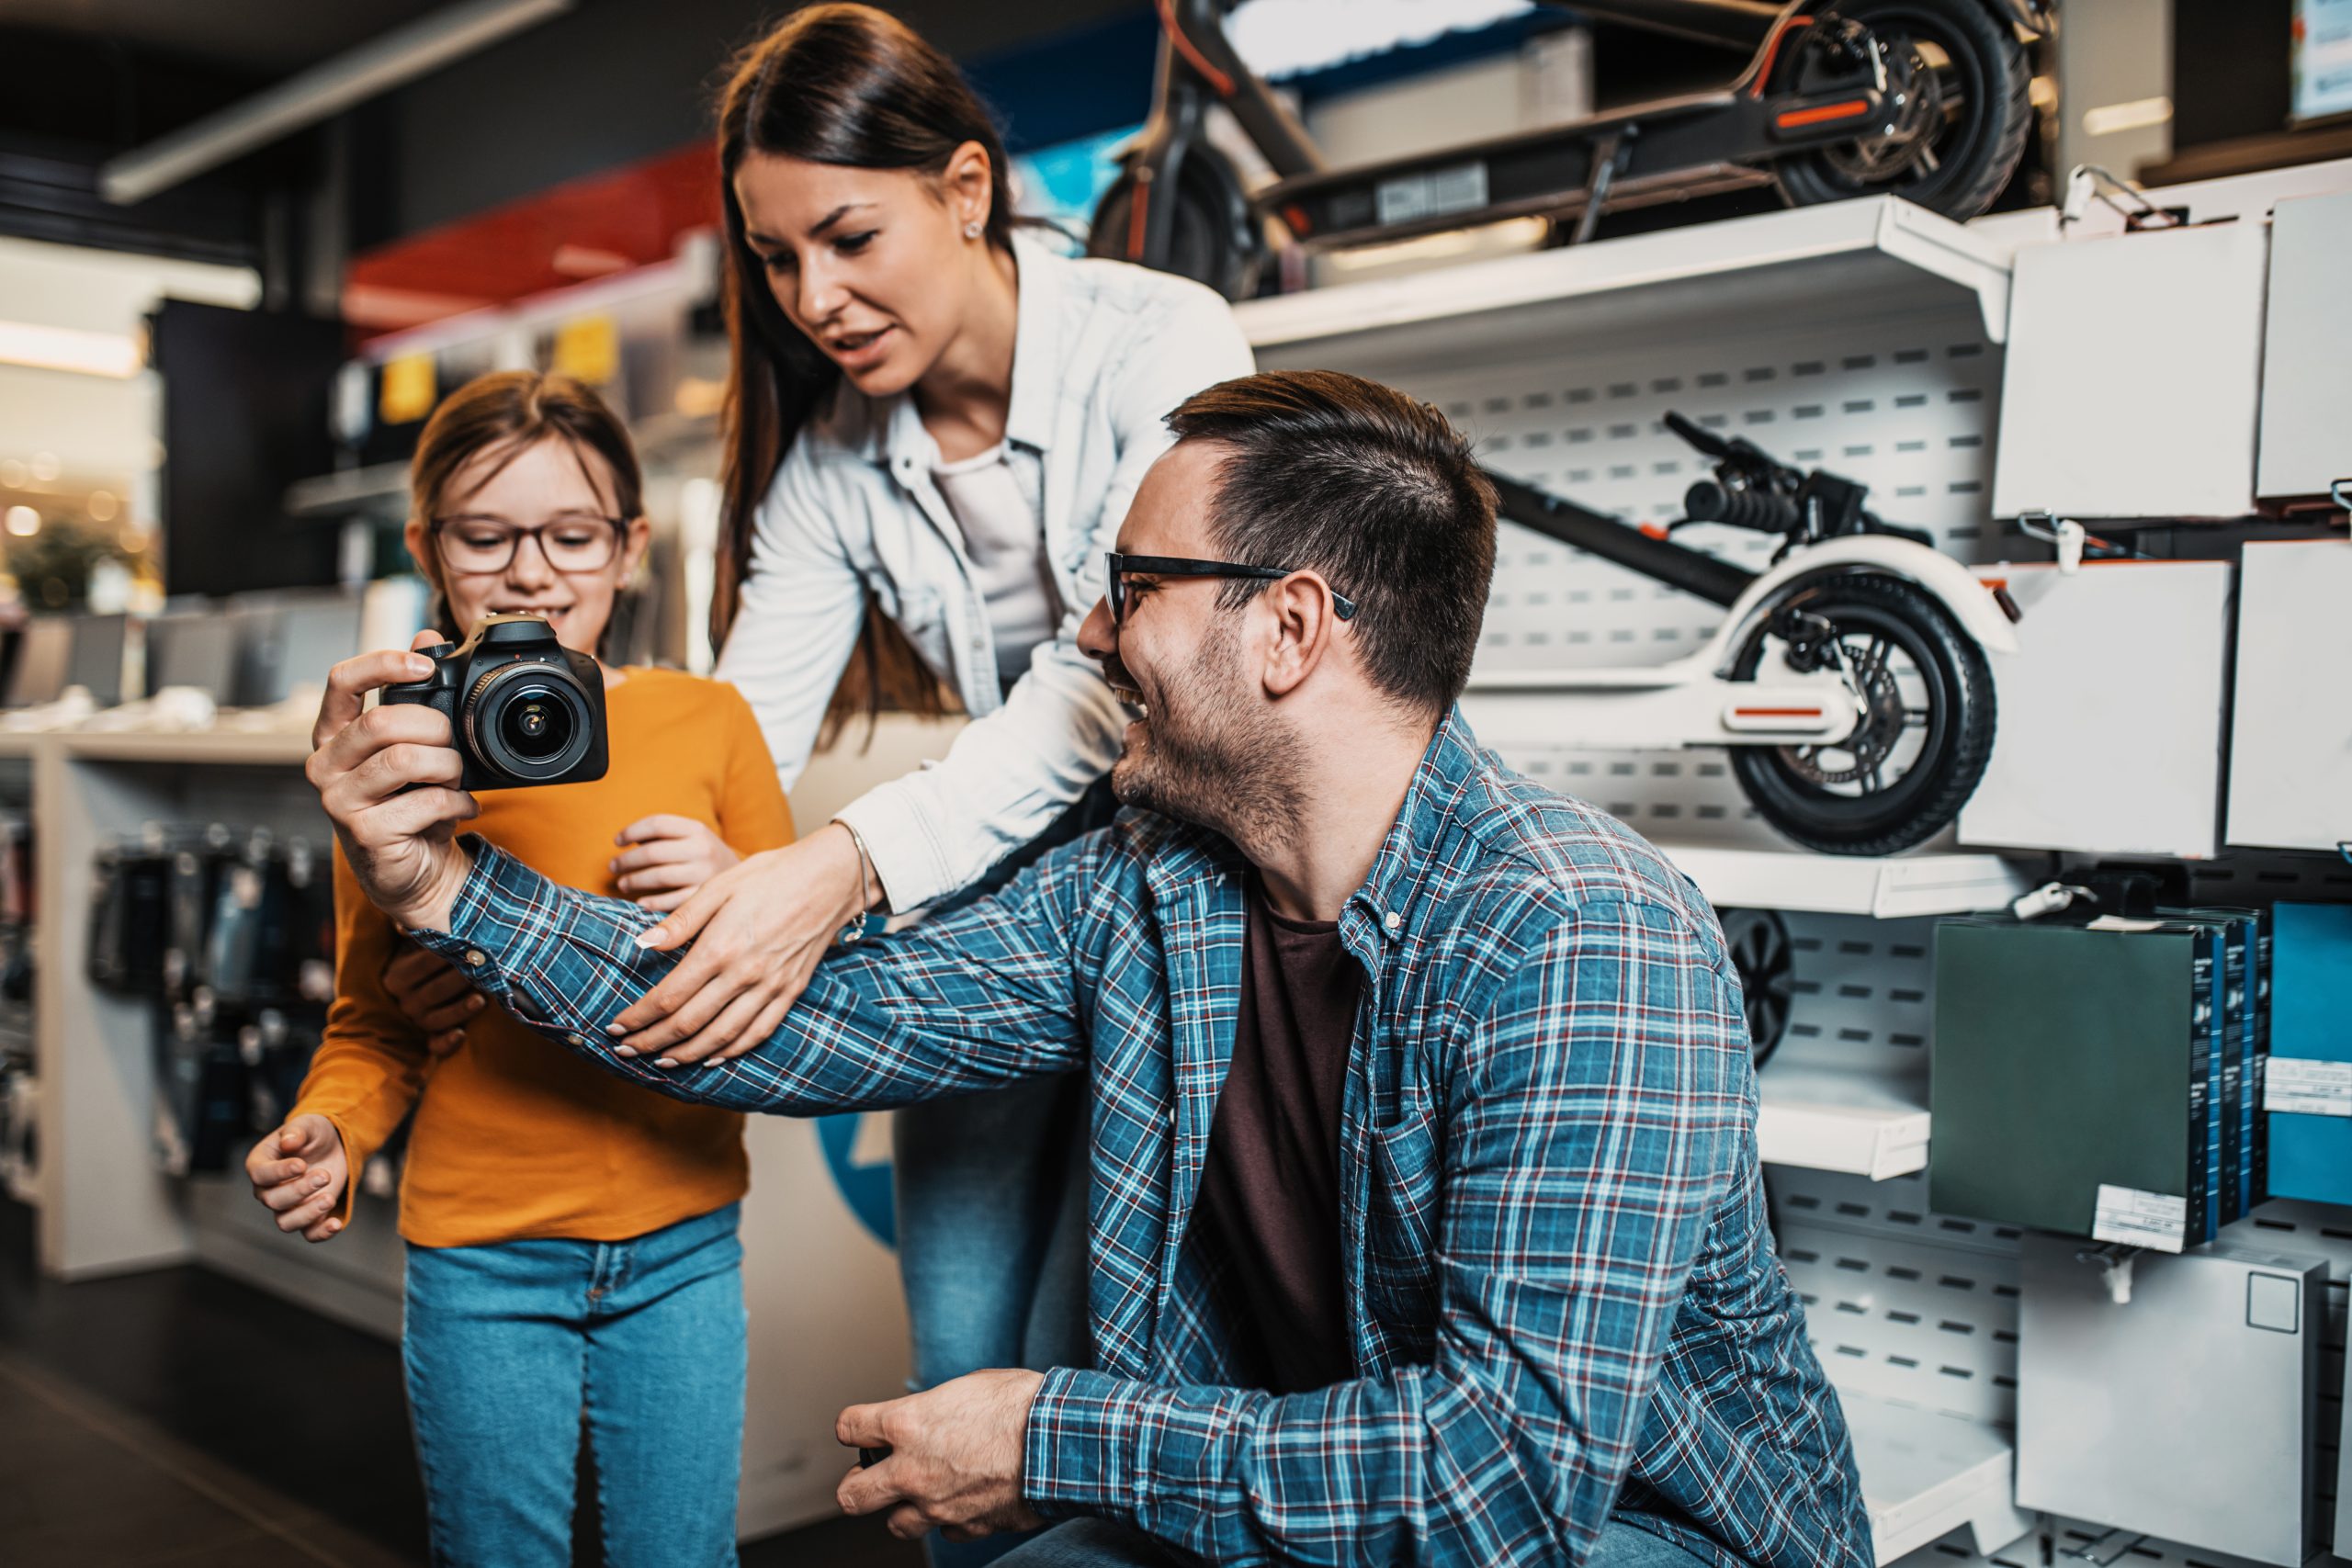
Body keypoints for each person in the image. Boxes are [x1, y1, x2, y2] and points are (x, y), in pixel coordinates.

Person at [310, 368, 1872, 1568]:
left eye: (1134, 588)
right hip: (1320, 1491)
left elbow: (1499, 1487)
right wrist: (442, 888)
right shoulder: (1153, 885)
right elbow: (824, 1023)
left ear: (1288, 629)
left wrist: (1056, 1432)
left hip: (1638, 1538)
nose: (1090, 630)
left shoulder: (1579, 937)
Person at [665, 7, 1253, 1540]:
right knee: (950, 1381)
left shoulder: (1164, 339)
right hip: (998, 918)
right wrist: (673, 856)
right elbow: (742, 734)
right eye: (779, 260)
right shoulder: (831, 468)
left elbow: (1116, 671)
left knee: (1073, 1387)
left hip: (1186, 916)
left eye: (848, 236)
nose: (815, 299)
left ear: (970, 189)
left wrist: (842, 867)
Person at [252, 371, 793, 1568]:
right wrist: (332, 1132)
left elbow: (802, 996)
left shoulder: (710, 722)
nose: (532, 573)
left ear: (631, 547)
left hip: (685, 1242)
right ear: (427, 548)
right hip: (480, 1259)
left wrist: (734, 889)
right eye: (485, 535)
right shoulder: (392, 754)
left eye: (573, 535)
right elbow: (373, 1023)